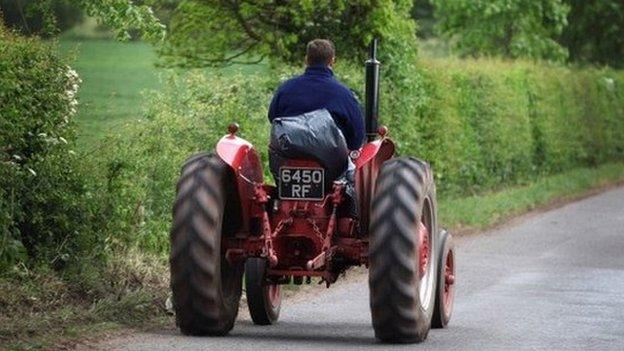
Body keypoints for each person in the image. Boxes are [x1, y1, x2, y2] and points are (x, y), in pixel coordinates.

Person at [268, 39, 365, 151]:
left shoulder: (285, 89)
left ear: (306, 60)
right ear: (332, 61)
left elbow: (273, 118)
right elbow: (357, 134)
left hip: (289, 155)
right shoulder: (343, 94)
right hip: (332, 159)